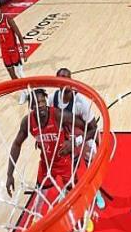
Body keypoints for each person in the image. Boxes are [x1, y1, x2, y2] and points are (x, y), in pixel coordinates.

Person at [6, 89, 97, 198]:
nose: (40, 105)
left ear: (46, 101)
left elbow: (89, 129)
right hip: (46, 163)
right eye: (36, 103)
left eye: (42, 101)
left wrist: (74, 141)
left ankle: (93, 193)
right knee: (40, 194)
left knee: (73, 190)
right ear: (31, 106)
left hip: (64, 161)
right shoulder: (27, 121)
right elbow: (16, 144)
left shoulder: (59, 115)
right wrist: (9, 174)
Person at [49, 67, 105, 209]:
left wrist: (78, 142)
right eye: (61, 79)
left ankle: (97, 192)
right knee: (70, 170)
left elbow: (93, 129)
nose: (65, 82)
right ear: (57, 82)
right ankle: (71, 192)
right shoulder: (52, 99)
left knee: (91, 168)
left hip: (84, 140)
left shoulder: (81, 102)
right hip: (67, 142)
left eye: (67, 78)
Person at [0, 0, 27, 104]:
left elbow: (19, 35)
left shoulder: (8, 19)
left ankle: (29, 91)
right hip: (4, 52)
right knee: (12, 75)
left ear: (0, 7)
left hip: (13, 50)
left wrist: (23, 52)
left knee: (20, 72)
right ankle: (24, 92)